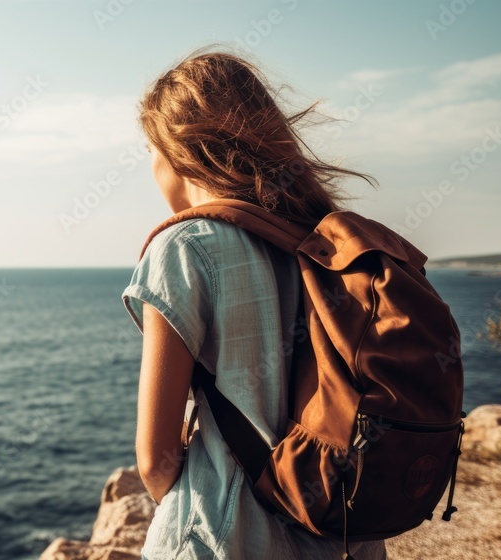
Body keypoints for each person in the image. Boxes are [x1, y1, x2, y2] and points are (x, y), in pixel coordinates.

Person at [120, 47, 388, 559]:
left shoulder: (185, 248)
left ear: (179, 151)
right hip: (344, 532)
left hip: (227, 536)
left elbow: (155, 458)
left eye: (150, 150)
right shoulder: (327, 241)